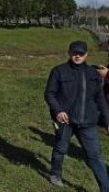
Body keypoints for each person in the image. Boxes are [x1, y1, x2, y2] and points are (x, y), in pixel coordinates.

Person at [44, 40, 109, 190]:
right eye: (74, 53)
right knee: (61, 148)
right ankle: (55, 174)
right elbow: (49, 93)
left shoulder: (93, 74)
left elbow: (100, 100)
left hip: (88, 122)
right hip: (66, 120)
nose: (77, 56)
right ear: (69, 53)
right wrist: (58, 110)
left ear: (86, 55)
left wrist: (107, 121)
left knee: (95, 158)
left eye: (81, 53)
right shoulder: (59, 71)